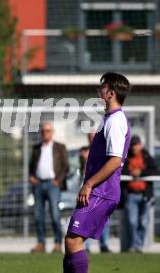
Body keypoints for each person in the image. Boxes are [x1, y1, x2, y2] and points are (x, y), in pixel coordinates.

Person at [63, 72, 131, 273]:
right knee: (70, 242)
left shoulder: (116, 121)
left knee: (73, 241)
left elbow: (115, 161)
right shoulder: (110, 119)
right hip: (98, 191)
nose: (98, 90)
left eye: (102, 87)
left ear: (110, 93)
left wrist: (89, 183)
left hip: (102, 191)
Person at [29, 121, 69, 253]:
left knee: (55, 214)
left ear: (52, 132)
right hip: (38, 184)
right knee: (38, 215)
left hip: (53, 184)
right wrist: (32, 177)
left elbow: (65, 166)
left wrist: (59, 180)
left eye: (47, 131)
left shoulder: (60, 147)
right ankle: (41, 243)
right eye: (43, 131)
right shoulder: (36, 148)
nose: (44, 133)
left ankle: (57, 243)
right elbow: (31, 165)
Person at [121, 135, 157, 253]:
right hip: (131, 194)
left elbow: (155, 170)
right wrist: (131, 172)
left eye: (136, 145)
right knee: (132, 221)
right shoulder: (126, 157)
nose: (134, 147)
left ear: (140, 145)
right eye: (132, 145)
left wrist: (141, 172)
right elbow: (121, 170)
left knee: (143, 222)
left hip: (145, 195)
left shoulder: (146, 156)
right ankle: (134, 246)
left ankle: (138, 246)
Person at [79, 145, 111, 253]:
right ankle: (86, 246)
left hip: (99, 190)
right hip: (86, 190)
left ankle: (104, 244)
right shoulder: (84, 152)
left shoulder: (105, 149)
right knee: (84, 217)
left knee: (103, 218)